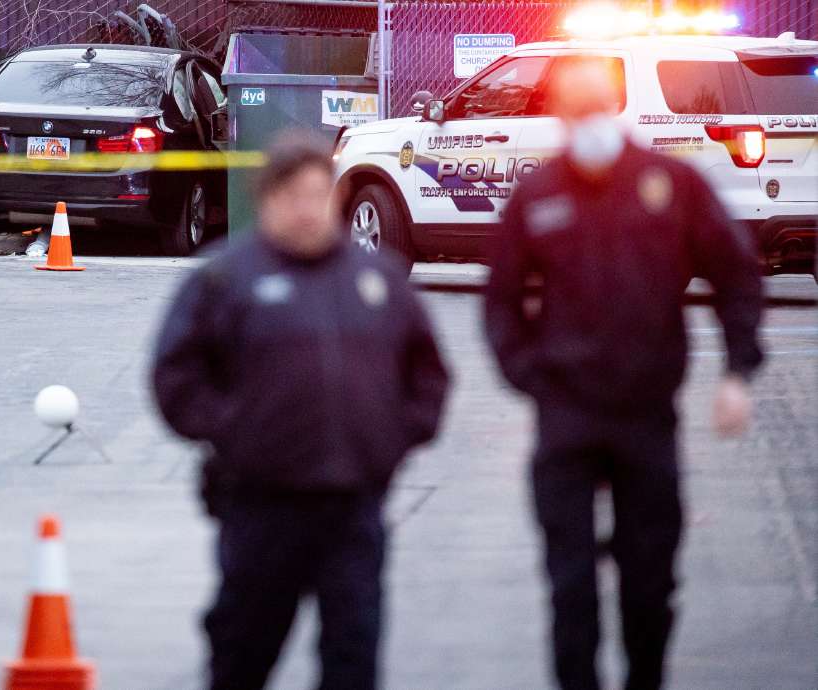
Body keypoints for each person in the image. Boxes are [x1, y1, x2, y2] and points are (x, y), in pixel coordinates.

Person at [484, 59, 764, 690]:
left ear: (614, 107)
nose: (587, 124)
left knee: (650, 582)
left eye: (595, 109)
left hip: (646, 418)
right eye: (573, 113)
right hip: (567, 419)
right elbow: (499, 301)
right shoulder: (538, 196)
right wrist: (528, 375)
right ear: (559, 118)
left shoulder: (671, 183)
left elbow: (736, 274)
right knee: (570, 585)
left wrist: (736, 372)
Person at [151, 132, 449, 690]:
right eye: (293, 195)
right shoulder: (224, 279)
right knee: (243, 649)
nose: (307, 208)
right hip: (261, 506)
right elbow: (175, 375)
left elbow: (428, 374)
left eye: (318, 194)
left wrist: (391, 440)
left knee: (353, 653)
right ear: (268, 201)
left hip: (353, 505)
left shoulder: (377, 278)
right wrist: (232, 432)